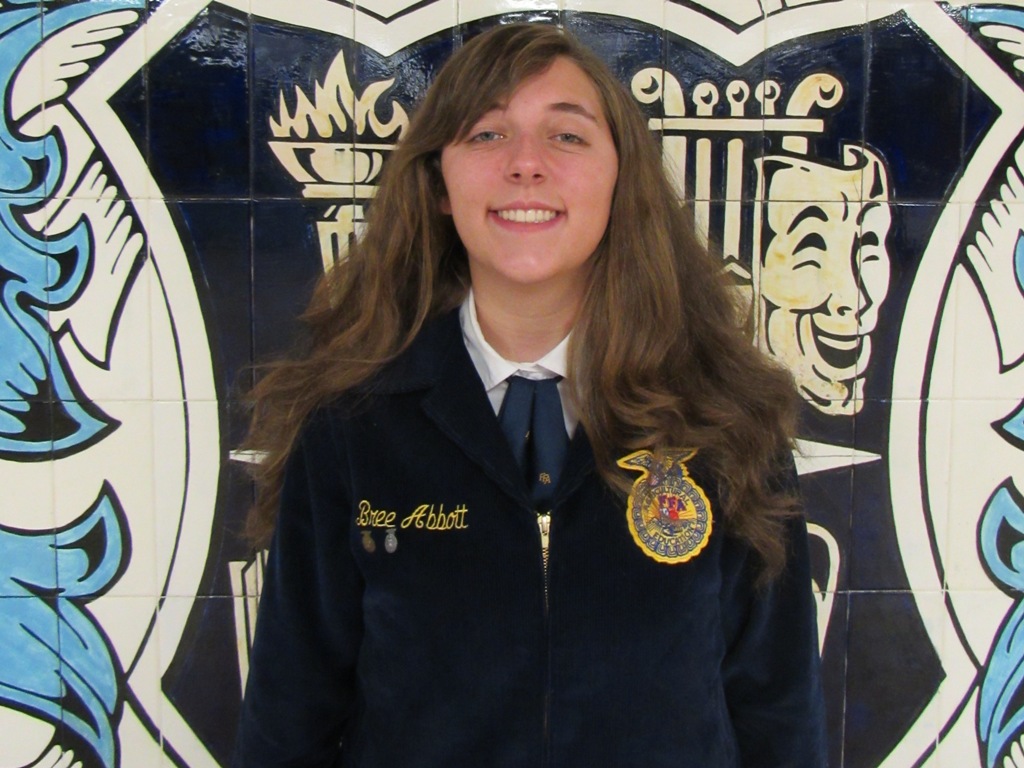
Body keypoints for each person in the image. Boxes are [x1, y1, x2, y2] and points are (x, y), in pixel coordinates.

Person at [233, 22, 827, 768]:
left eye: (567, 136)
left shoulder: (725, 419)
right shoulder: (351, 426)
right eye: (486, 134)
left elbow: (779, 710)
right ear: (439, 184)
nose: (524, 164)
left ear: (622, 180)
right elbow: (289, 719)